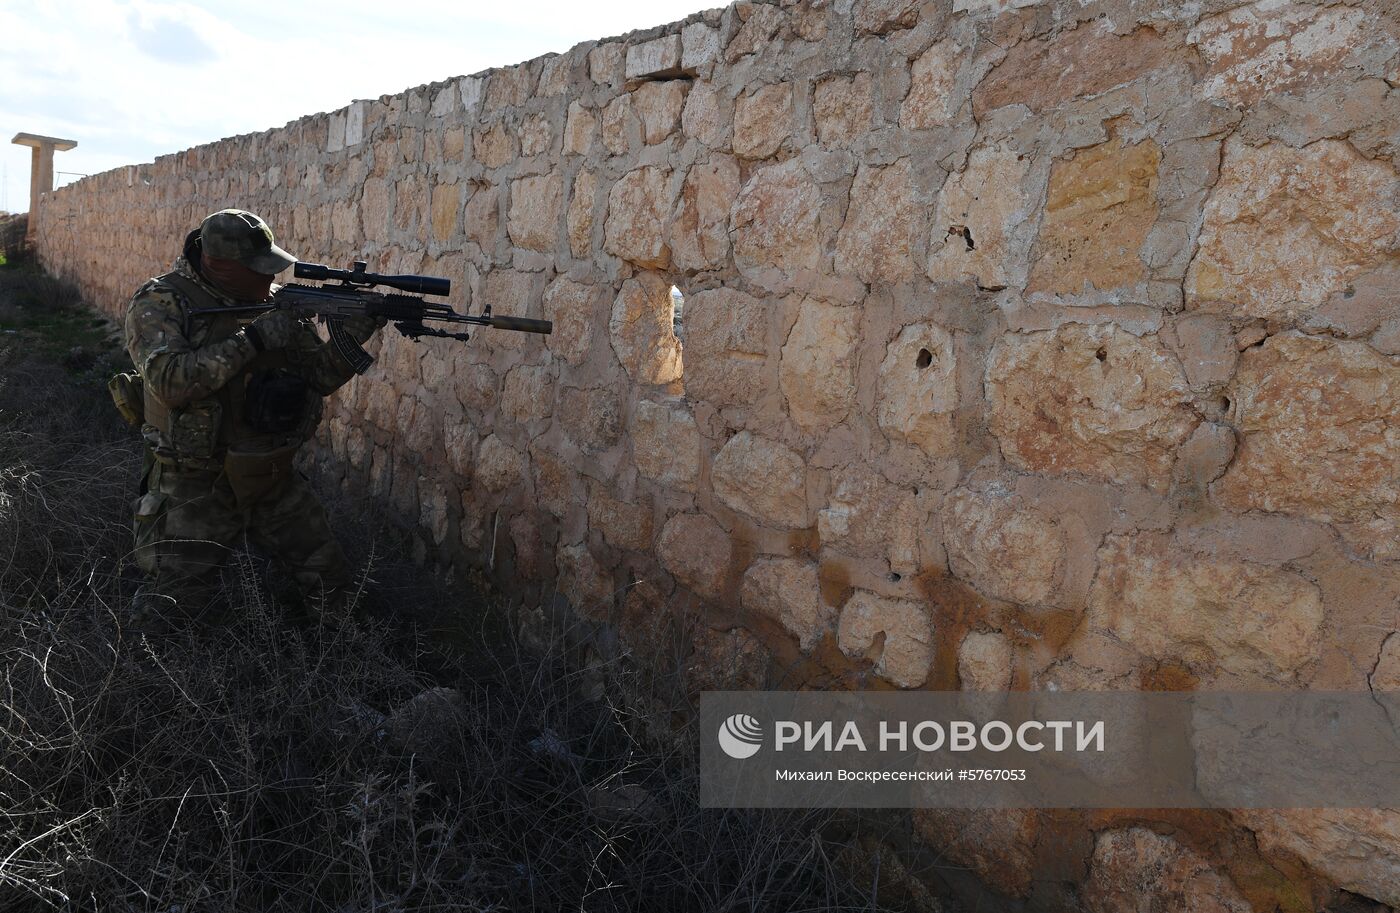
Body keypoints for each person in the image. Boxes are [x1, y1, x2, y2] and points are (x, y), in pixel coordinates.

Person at [122, 209, 383, 632]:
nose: (269, 280)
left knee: (329, 579)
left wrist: (351, 337)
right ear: (218, 264)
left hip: (268, 473)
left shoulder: (275, 303)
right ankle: (153, 688)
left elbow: (317, 377)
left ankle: (340, 669)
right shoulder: (162, 301)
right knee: (172, 606)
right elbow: (170, 382)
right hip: (194, 483)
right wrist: (255, 338)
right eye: (257, 270)